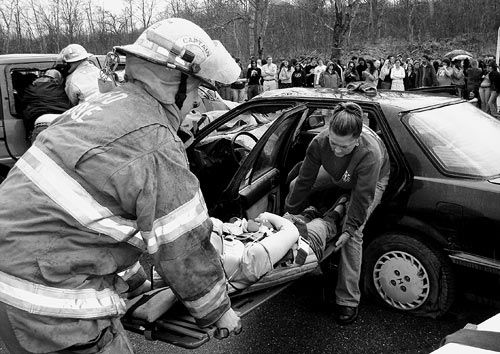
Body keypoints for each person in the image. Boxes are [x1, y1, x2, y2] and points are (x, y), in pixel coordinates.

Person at [0, 18, 242, 353]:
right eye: (197, 90)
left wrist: (134, 280)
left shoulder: (95, 109)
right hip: (51, 307)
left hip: (12, 289)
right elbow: (182, 244)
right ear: (176, 83)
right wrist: (218, 311)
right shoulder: (153, 140)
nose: (196, 103)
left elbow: (95, 218)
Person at [285, 102, 390, 325]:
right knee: (294, 184)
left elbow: (362, 197)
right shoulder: (320, 143)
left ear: (357, 139)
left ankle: (348, 300)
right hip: (340, 173)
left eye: (344, 147)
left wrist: (350, 227)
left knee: (353, 236)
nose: (337, 150)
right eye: (334, 143)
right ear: (328, 132)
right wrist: (289, 214)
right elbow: (305, 180)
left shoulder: (369, 154)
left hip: (372, 180)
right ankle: (325, 210)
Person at [20, 69, 71, 141]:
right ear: (57, 80)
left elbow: (22, 106)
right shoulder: (63, 90)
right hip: (61, 125)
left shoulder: (31, 88)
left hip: (40, 125)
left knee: (38, 152)